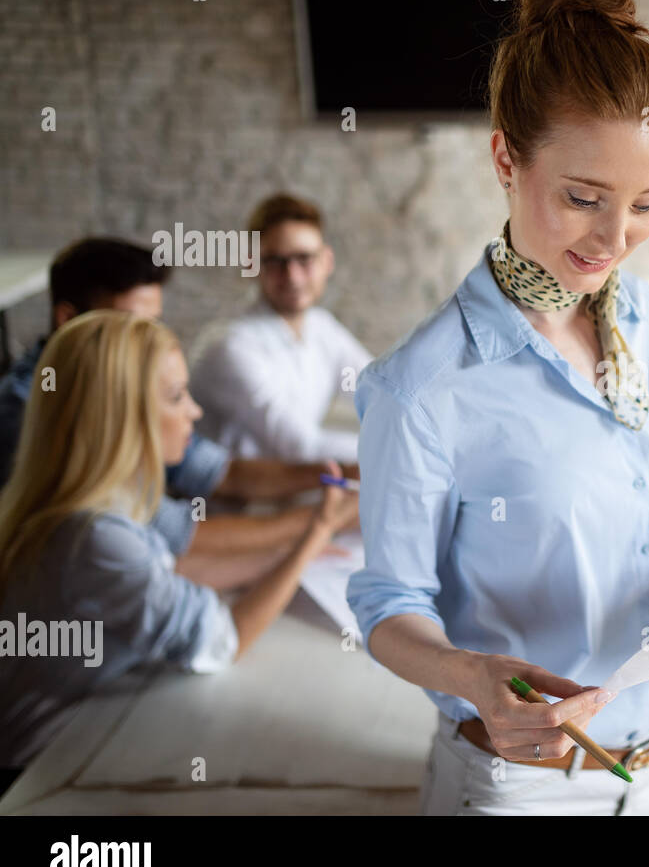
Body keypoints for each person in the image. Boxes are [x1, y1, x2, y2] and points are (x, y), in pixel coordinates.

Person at [346, 0, 649, 817]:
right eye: (582, 197)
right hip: (520, 783)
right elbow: (388, 605)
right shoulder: (420, 388)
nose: (615, 238)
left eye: (647, 203)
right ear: (505, 156)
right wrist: (473, 677)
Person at [0, 311, 357, 791]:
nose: (194, 412)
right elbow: (223, 640)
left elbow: (173, 567)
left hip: (88, 733)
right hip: (42, 774)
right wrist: (317, 529)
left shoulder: (102, 501)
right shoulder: (95, 537)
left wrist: (286, 557)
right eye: (175, 397)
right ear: (123, 416)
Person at [0, 238, 359, 590]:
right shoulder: (33, 415)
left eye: (155, 324)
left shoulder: (123, 387)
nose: (151, 341)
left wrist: (343, 477)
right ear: (68, 318)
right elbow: (172, 535)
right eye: (132, 327)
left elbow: (221, 472)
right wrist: (328, 520)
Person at [189, 193, 373, 462]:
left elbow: (381, 393)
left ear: (327, 261)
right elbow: (301, 447)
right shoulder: (232, 347)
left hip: (292, 494)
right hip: (235, 502)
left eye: (304, 258)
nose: (293, 277)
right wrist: (395, 452)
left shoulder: (324, 329)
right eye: (275, 261)